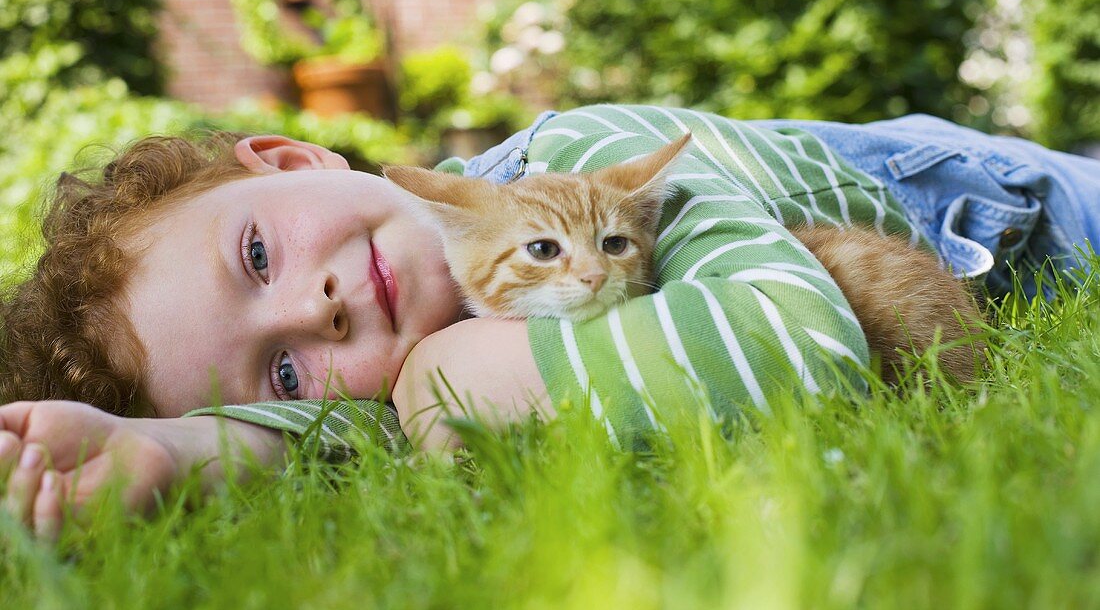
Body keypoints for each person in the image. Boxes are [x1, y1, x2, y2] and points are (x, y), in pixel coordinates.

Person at [2, 104, 1099, 540]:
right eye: (280, 370)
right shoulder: (408, 349)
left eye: (256, 255)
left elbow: (803, 341)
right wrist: (182, 447)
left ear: (292, 161)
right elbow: (361, 437)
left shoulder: (586, 159)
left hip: (1016, 202)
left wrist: (449, 377)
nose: (314, 307)